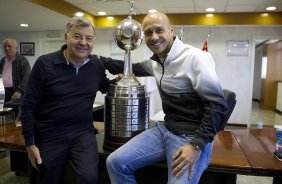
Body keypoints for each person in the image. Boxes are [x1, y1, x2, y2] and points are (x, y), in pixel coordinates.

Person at [100, 12, 228, 184]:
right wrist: (94, 58)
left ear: (171, 30)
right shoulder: (154, 62)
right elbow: (130, 67)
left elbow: (218, 105)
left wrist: (196, 145)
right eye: (148, 32)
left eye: (159, 30)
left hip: (191, 136)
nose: (154, 37)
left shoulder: (195, 58)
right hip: (165, 129)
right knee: (115, 162)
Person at [21, 17, 116, 184]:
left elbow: (105, 85)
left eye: (89, 38)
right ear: (66, 37)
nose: (83, 42)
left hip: (82, 132)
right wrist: (30, 143)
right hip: (49, 133)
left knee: (89, 178)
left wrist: (123, 81)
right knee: (46, 177)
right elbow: (28, 105)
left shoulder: (96, 65)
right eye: (77, 36)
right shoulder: (45, 64)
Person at [0, 38, 31, 103]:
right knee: (3, 111)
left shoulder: (22, 61)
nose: (7, 48)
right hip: (2, 92)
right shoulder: (2, 61)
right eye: (5, 46)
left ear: (16, 48)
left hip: (15, 92)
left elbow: (27, 77)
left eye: (10, 46)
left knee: (14, 112)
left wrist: (19, 91)